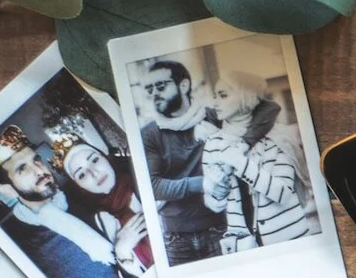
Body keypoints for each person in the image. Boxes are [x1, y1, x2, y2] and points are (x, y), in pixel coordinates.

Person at [0, 124, 126, 278]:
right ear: (8, 190)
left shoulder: (80, 191)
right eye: (22, 169)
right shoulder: (30, 247)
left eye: (36, 160)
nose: (39, 170)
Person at [133, 58, 224, 264]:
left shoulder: (213, 117)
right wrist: (202, 183)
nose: (154, 93)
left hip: (220, 226)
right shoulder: (149, 134)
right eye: (149, 89)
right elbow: (153, 186)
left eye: (161, 86)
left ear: (183, 85)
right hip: (176, 238)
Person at [203, 92, 318, 250]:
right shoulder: (213, 143)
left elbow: (282, 193)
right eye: (214, 95)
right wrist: (218, 188)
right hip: (244, 247)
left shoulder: (277, 137)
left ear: (246, 98)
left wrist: (240, 162)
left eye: (223, 95)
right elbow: (214, 205)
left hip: (289, 240)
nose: (214, 102)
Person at [48, 115, 152, 278]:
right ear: (79, 186)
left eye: (95, 160)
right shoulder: (98, 222)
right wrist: (122, 252)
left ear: (105, 157)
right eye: (81, 174)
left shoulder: (146, 172)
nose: (94, 173)